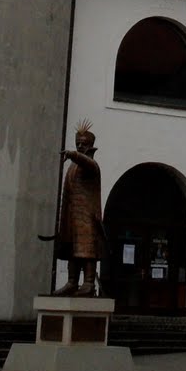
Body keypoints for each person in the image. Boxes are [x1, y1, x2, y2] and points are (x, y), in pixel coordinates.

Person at [51, 120, 107, 296]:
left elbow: (87, 163)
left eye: (84, 144)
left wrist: (73, 154)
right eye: (78, 144)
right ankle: (72, 282)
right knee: (71, 250)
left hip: (86, 217)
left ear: (91, 145)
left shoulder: (91, 165)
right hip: (71, 217)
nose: (80, 146)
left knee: (87, 250)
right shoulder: (72, 167)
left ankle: (89, 283)